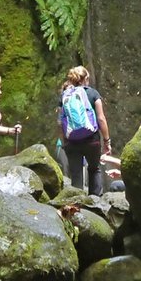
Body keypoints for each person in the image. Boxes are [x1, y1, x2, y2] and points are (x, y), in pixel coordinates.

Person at [57, 66, 111, 195]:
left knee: (76, 174)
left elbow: (59, 122)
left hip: (71, 141)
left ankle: (77, 203)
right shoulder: (93, 93)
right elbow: (101, 119)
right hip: (92, 141)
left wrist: (64, 141)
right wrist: (107, 141)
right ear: (86, 78)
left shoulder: (64, 95)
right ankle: (96, 202)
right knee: (94, 169)